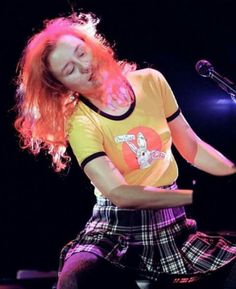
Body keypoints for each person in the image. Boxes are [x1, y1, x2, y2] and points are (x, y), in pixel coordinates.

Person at [14, 12, 236, 289]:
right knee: (76, 278)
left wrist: (232, 175)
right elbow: (120, 193)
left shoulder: (151, 81)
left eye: (82, 54)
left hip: (173, 225)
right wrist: (198, 197)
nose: (84, 67)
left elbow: (192, 148)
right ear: (62, 86)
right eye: (70, 70)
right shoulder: (80, 122)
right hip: (113, 231)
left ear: (94, 47)